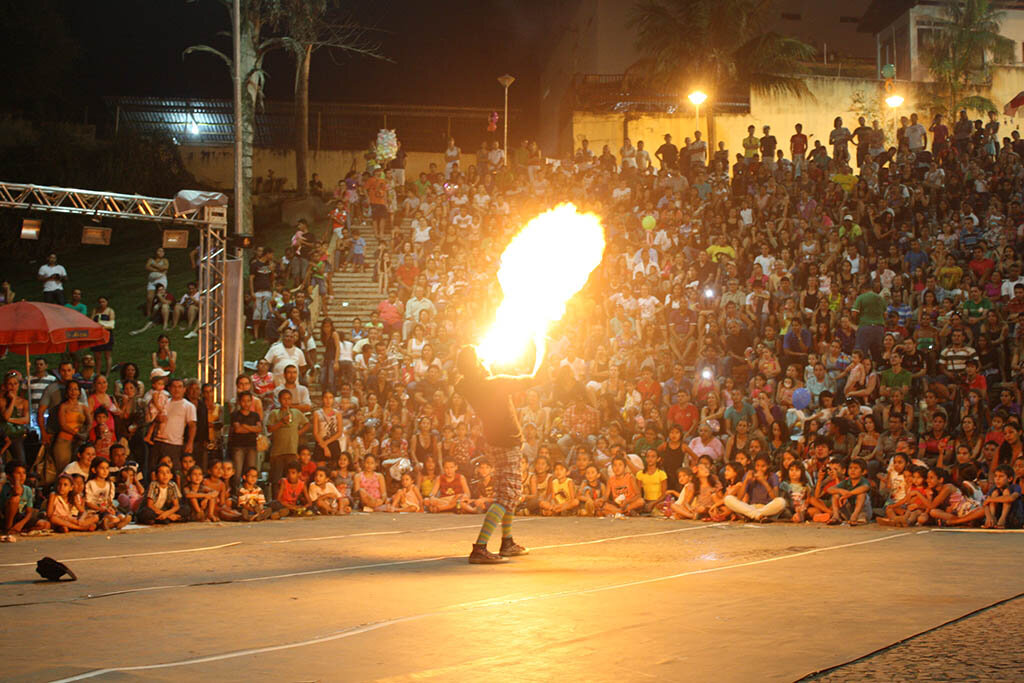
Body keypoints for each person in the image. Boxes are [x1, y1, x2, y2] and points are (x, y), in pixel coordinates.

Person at [455, 345, 545, 564]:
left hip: (495, 443)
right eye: (480, 358)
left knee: (507, 491)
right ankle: (480, 547)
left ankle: (507, 542)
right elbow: (536, 377)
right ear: (476, 365)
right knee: (509, 495)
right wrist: (542, 348)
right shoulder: (494, 384)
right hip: (506, 444)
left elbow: (466, 377)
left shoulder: (466, 384)